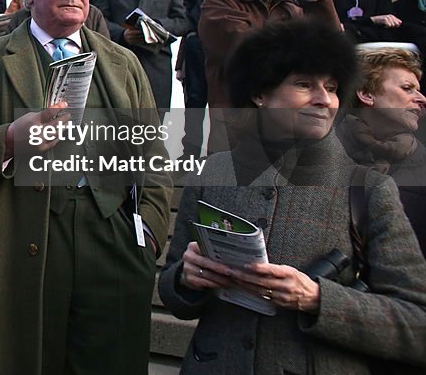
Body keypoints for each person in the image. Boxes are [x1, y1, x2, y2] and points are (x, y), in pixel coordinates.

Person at [0, 0, 172, 375]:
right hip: (16, 232)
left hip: (109, 233)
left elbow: (153, 155)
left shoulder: (123, 62)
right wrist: (9, 140)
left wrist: (149, 230)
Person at [159, 19, 426, 373]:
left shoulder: (369, 188)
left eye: (331, 88)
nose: (324, 100)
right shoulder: (211, 174)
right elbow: (174, 292)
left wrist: (317, 299)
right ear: (260, 93)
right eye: (304, 84)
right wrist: (185, 279)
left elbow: (416, 323)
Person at [199, 0, 340, 111]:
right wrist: (305, 47)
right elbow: (248, 51)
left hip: (289, 122)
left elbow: (335, 54)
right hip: (239, 122)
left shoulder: (294, 7)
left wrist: (315, 1)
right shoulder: (220, 2)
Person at [338, 47, 426, 255]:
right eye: (407, 88)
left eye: (418, 89)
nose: (422, 99)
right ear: (366, 94)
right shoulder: (316, 153)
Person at [91, 0, 188, 113]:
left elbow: (182, 22)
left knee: (154, 128)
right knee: (118, 127)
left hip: (156, 67)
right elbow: (99, 18)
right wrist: (122, 34)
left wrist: (153, 27)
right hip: (118, 64)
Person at [179, 0, 235, 157]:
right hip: (197, 43)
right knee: (195, 99)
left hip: (228, 45)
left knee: (223, 100)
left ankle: (219, 153)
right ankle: (190, 152)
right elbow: (183, 6)